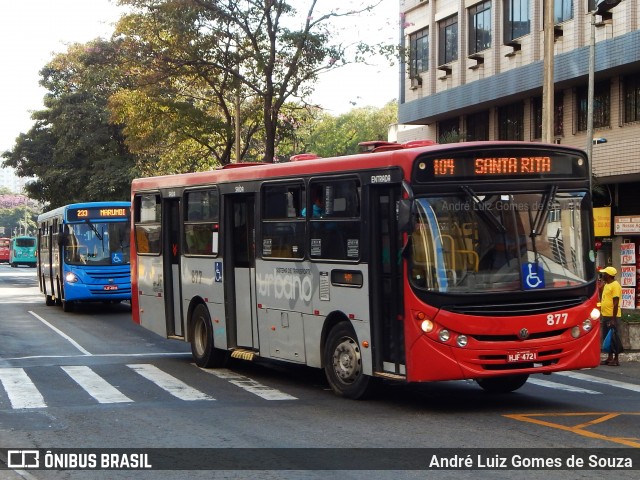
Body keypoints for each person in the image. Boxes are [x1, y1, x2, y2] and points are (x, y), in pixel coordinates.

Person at [598, 266, 622, 366]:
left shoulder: (615, 285)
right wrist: (600, 286)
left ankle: (616, 359)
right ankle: (609, 357)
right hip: (606, 314)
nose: (602, 275)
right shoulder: (607, 284)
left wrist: (613, 318)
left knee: (614, 337)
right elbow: (601, 297)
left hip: (612, 316)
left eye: (604, 274)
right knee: (607, 337)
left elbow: (615, 303)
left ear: (608, 275)